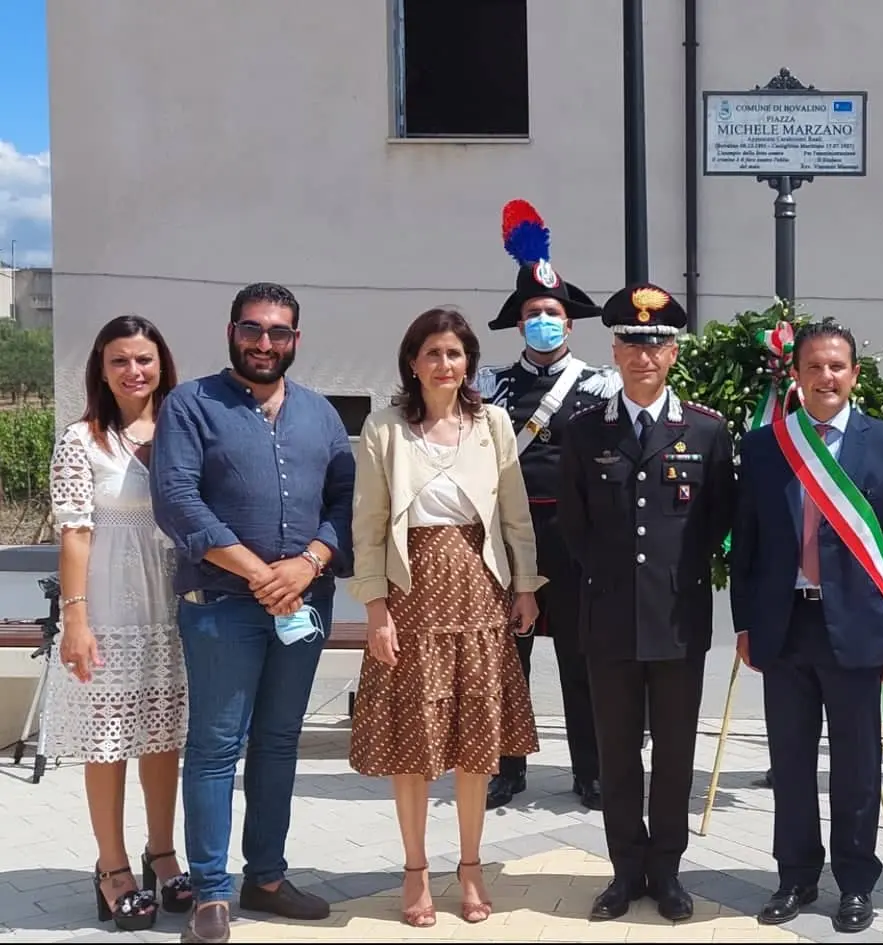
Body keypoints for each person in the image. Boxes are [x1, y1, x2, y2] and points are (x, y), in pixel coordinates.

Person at [150, 282, 356, 945]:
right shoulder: (191, 404)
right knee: (214, 749)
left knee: (277, 743)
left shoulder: (321, 414)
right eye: (253, 329)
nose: (264, 343)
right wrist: (262, 571)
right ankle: (211, 891)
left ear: (296, 339)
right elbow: (177, 497)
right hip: (220, 608)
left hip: (303, 603)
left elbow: (347, 499)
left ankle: (266, 875)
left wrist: (311, 560)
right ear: (232, 330)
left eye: (278, 332)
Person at [729, 320, 883, 934]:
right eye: (813, 367)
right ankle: (795, 877)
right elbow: (749, 547)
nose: (826, 377)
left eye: (836, 366)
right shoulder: (766, 446)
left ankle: (856, 884)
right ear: (797, 375)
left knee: (857, 765)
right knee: (788, 762)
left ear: (854, 375)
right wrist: (744, 625)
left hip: (860, 630)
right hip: (786, 627)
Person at [348, 307, 543, 927]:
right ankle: (415, 870)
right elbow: (369, 524)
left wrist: (525, 586)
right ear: (413, 361)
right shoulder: (385, 428)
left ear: (469, 363)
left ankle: (470, 865)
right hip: (411, 597)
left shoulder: (493, 425)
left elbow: (515, 515)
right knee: (414, 742)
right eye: (432, 353)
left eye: (454, 353)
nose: (443, 364)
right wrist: (376, 609)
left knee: (475, 743)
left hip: (479, 593)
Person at [558, 284, 736, 922]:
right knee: (616, 753)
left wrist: (670, 577)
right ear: (614, 350)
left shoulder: (707, 432)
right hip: (607, 618)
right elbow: (573, 527)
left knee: (675, 753)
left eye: (656, 344)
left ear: (673, 354)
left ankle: (667, 872)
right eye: (632, 343)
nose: (643, 355)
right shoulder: (581, 431)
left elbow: (716, 522)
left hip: (678, 619)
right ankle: (623, 871)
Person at [46, 316, 191, 932]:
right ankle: (111, 868)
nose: (135, 372)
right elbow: (74, 531)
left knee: (163, 736)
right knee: (108, 741)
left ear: (163, 363)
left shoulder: (182, 429)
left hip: (174, 609)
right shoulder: (83, 440)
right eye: (120, 362)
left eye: (145, 360)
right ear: (101, 370)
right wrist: (76, 621)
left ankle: (162, 851)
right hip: (107, 611)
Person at [475, 199, 618, 812]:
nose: (543, 321)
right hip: (509, 534)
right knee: (509, 659)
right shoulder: (489, 385)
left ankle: (591, 770)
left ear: (570, 322)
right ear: (519, 323)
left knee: (581, 659)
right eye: (533, 313)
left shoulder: (600, 384)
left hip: (576, 534)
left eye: (552, 313)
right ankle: (507, 768)